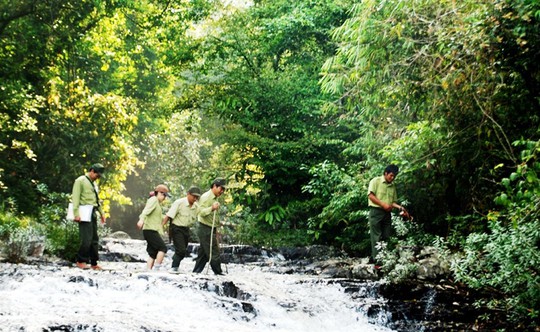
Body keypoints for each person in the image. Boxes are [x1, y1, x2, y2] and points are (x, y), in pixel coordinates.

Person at [367, 164, 409, 268]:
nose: (392, 178)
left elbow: (393, 202)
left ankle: (381, 258)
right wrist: (383, 204)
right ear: (385, 173)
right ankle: (377, 263)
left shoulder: (392, 186)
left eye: (394, 176)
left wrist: (400, 208)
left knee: (386, 236)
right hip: (376, 212)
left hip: (387, 213)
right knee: (376, 236)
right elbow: (370, 196)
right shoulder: (375, 181)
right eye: (391, 175)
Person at [71, 163, 106, 270]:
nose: (98, 177)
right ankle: (81, 260)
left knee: (95, 238)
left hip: (92, 211)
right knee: (86, 238)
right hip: (84, 212)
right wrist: (76, 213)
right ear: (92, 171)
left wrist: (102, 213)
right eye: (97, 175)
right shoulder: (80, 181)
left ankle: (94, 262)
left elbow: (96, 199)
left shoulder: (94, 184)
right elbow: (75, 197)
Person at [163, 186, 202, 273]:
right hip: (176, 228)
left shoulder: (196, 206)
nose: (195, 199)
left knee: (183, 251)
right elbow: (169, 215)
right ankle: (174, 267)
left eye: (197, 197)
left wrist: (212, 209)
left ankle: (175, 266)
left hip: (186, 229)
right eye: (193, 196)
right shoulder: (179, 203)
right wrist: (160, 227)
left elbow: (202, 213)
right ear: (188, 194)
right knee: (181, 250)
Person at [192, 178, 226, 275]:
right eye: (221, 188)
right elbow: (200, 212)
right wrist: (212, 208)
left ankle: (195, 272)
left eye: (224, 189)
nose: (222, 191)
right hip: (205, 228)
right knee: (213, 251)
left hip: (210, 228)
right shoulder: (206, 197)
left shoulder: (215, 197)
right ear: (215, 186)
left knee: (203, 253)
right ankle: (218, 272)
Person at [137, 184, 170, 271]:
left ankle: (148, 270)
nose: (164, 198)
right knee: (163, 248)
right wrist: (141, 220)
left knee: (153, 253)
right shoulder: (153, 200)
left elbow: (157, 217)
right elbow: (146, 211)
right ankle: (157, 268)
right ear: (159, 193)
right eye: (164, 195)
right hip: (150, 229)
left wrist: (167, 216)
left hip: (150, 229)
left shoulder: (157, 203)